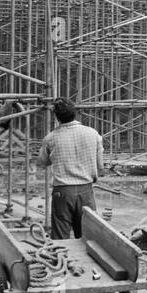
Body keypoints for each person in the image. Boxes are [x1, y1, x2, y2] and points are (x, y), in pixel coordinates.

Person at [37, 98, 105, 239]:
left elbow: (42, 163)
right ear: (75, 113)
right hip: (86, 191)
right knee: (88, 236)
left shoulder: (51, 138)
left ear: (56, 117)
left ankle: (63, 260)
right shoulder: (93, 133)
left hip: (62, 192)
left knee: (61, 238)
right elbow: (100, 167)